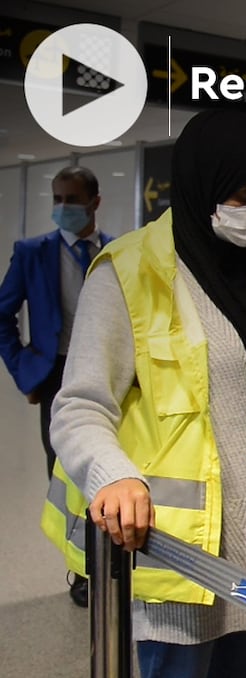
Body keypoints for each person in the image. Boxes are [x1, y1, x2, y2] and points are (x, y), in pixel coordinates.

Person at [41, 110, 246, 678]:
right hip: (181, 555)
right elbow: (80, 405)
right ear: (204, 182)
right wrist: (112, 476)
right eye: (245, 192)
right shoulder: (126, 272)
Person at [0, 165, 113, 606]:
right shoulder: (31, 253)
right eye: (57, 199)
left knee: (110, 470)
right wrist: (27, 371)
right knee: (68, 475)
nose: (62, 208)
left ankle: (116, 563)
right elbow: (2, 317)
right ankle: (83, 568)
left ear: (94, 202)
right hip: (58, 375)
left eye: (72, 199)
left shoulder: (118, 251)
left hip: (110, 373)